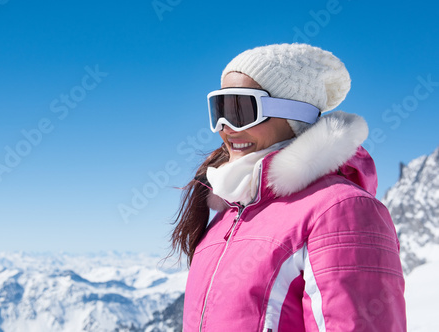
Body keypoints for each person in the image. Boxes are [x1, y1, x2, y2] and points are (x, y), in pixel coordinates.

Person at [170, 43, 406, 331]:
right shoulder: (228, 215)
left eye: (240, 109)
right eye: (219, 109)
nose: (225, 126)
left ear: (295, 115)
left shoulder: (341, 210)